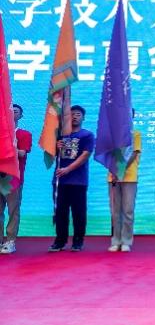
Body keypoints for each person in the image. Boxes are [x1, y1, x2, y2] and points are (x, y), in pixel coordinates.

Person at [49, 105, 95, 252]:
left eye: (78, 114)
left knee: (78, 212)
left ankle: (78, 241)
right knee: (60, 212)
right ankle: (60, 241)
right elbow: (50, 156)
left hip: (78, 181)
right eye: (72, 114)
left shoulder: (87, 135)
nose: (74, 116)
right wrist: (55, 147)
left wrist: (68, 169)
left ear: (83, 118)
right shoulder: (60, 135)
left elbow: (85, 155)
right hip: (60, 181)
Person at [107, 109, 141, 252]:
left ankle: (126, 241)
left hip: (129, 177)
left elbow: (134, 153)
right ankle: (116, 240)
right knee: (115, 211)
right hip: (113, 177)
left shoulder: (135, 134)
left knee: (128, 210)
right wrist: (115, 170)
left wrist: (121, 169)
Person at [0, 104, 32, 254]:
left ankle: (10, 241)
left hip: (13, 178)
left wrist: (8, 146)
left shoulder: (24, 134)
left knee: (13, 210)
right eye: (10, 111)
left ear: (21, 115)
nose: (13, 113)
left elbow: (22, 153)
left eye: (16, 111)